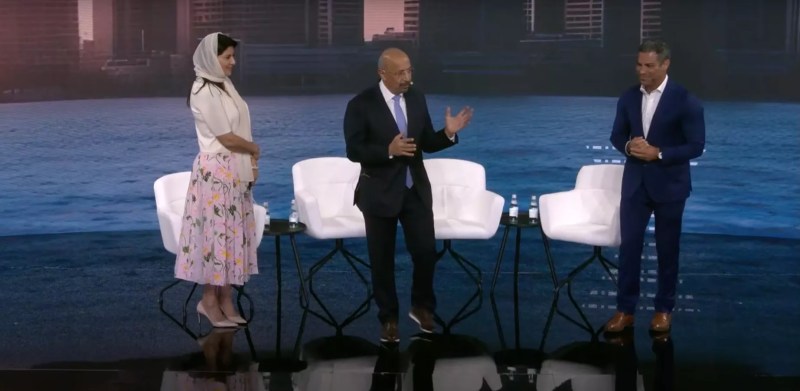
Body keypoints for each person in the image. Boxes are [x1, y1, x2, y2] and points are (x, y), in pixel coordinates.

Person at [343, 47, 474, 343]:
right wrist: (387, 151)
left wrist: (448, 133)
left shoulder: (416, 97)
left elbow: (425, 142)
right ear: (382, 73)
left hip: (414, 189)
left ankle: (421, 307)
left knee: (426, 253)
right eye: (400, 73)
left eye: (409, 71)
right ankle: (388, 319)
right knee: (382, 260)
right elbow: (353, 150)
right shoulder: (361, 104)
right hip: (379, 191)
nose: (407, 78)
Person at [606, 39, 705, 333]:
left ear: (665, 64)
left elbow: (696, 146)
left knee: (667, 250)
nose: (642, 71)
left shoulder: (686, 100)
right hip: (635, 185)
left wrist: (658, 153)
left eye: (649, 65)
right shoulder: (628, 97)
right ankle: (625, 310)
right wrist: (629, 146)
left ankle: (663, 309)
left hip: (670, 186)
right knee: (629, 249)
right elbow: (616, 135)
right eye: (639, 64)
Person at [175, 32, 260, 328]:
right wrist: (253, 149)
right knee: (216, 236)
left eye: (233, 56)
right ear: (212, 58)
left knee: (230, 236)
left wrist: (250, 162)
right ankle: (208, 300)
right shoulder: (203, 90)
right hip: (216, 172)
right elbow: (225, 136)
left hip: (233, 169)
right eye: (227, 57)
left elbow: (238, 128)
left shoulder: (224, 86)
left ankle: (226, 298)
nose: (232, 62)